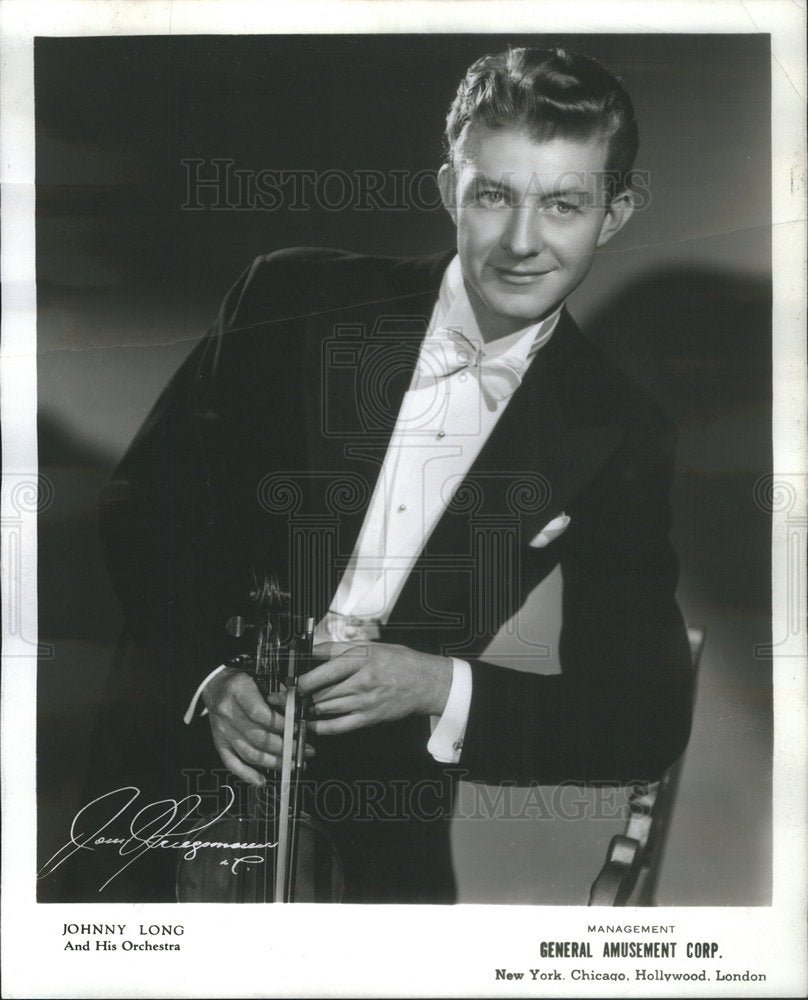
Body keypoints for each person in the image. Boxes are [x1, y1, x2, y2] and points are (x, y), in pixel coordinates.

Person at [87, 46, 693, 903]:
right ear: (451, 189)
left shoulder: (622, 430)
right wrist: (210, 678)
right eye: (494, 195)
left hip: (381, 818)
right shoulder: (290, 296)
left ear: (614, 214)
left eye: (563, 204)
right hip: (175, 770)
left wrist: (434, 681)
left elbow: (640, 718)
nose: (523, 242)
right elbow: (143, 508)